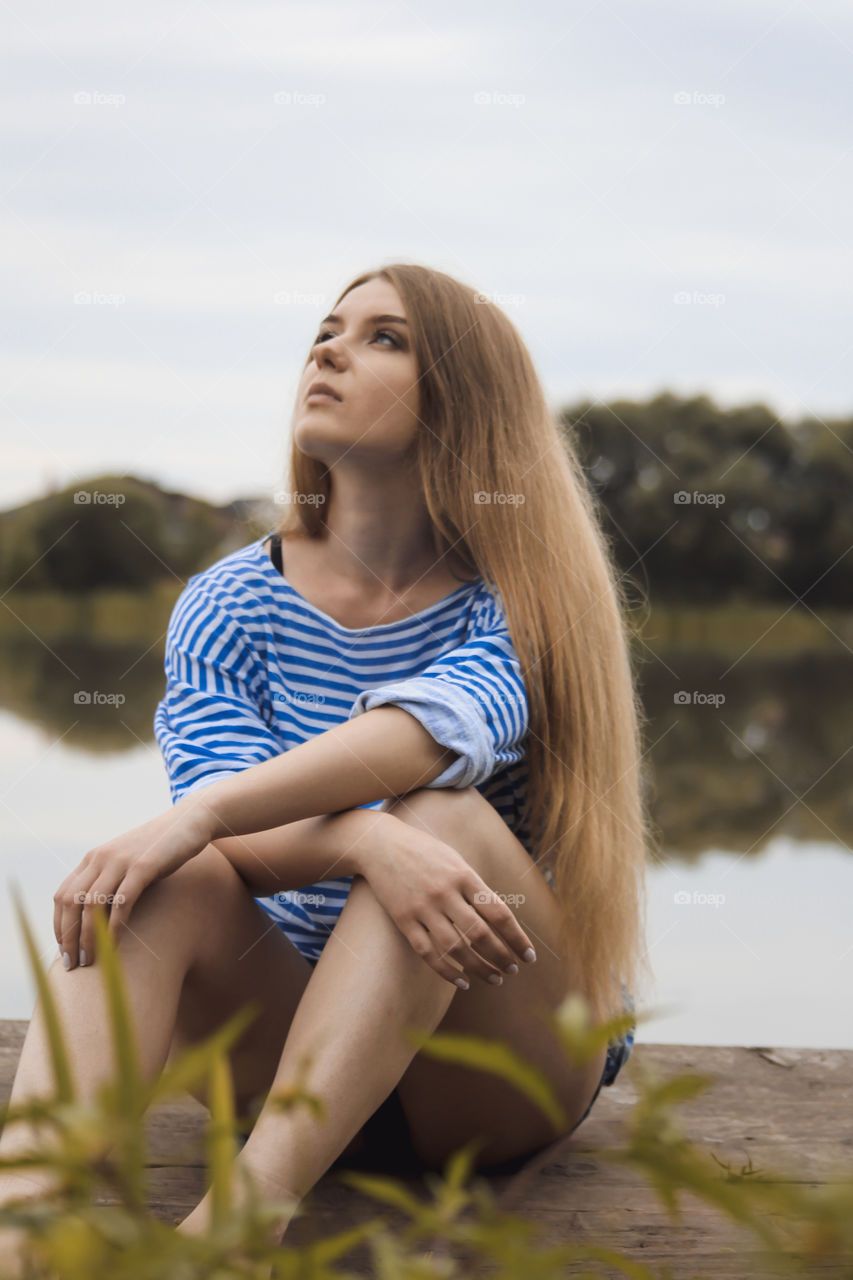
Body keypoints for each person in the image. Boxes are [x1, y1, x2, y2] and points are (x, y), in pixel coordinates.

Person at [0, 263, 651, 1258]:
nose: (330, 349)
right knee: (167, 872)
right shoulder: (227, 604)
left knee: (439, 814)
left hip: (495, 1068)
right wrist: (349, 840)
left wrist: (218, 814)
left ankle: (235, 1231)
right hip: (286, 1048)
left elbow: (433, 733)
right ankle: (25, 1221)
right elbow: (230, 839)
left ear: (465, 402)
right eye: (326, 329)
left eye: (384, 337)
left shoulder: (520, 592)